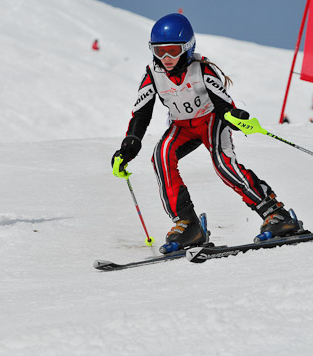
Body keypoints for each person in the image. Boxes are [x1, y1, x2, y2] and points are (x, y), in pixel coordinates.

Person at [111, 13, 302, 250]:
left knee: (223, 165)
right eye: (159, 51)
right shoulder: (153, 74)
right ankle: (187, 224)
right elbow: (141, 114)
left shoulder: (202, 69)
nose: (166, 58)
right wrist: (129, 147)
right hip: (181, 127)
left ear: (188, 47)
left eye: (173, 50)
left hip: (211, 121)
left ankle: (276, 214)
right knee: (161, 156)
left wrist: (236, 118)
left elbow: (224, 106)